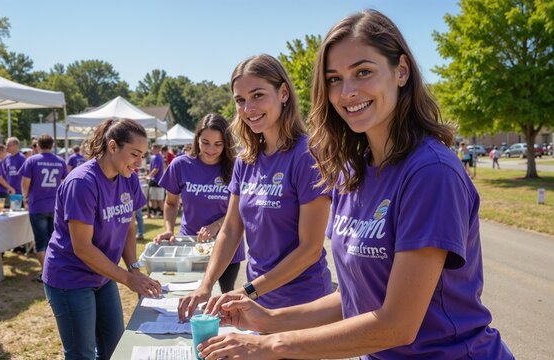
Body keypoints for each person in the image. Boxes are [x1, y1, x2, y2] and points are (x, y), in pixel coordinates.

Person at [198, 10, 513, 360]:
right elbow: (354, 296)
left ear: (401, 72)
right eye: (334, 78)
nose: (347, 91)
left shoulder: (431, 173)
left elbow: (397, 324)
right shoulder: (353, 170)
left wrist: (272, 343)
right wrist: (269, 319)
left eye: (363, 72)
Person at [178, 54, 332, 321]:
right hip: (257, 302)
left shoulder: (307, 155)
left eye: (258, 95)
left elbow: (310, 249)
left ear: (283, 93)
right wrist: (206, 285)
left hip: (300, 304)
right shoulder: (246, 159)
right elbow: (230, 229)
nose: (248, 108)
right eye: (240, 100)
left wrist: (248, 291)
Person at [42, 118, 161, 360]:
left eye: (143, 155)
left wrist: (134, 269)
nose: (140, 163)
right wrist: (127, 279)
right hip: (71, 277)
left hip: (103, 275)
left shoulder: (128, 178)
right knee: (82, 354)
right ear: (113, 146)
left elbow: (128, 226)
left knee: (114, 348)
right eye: (135, 154)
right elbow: (82, 248)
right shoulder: (82, 182)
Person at [155, 113, 246, 293]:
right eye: (205, 142)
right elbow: (171, 203)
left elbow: (242, 209)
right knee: (190, 297)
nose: (211, 149)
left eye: (218, 144)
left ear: (226, 143)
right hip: (192, 247)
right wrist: (168, 229)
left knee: (222, 301)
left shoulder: (237, 166)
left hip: (228, 248)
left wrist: (216, 225)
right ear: (197, 139)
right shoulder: (180, 165)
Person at [19, 134, 67, 282]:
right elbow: (65, 183)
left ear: (38, 145)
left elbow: (25, 182)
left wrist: (24, 198)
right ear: (52, 145)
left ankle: (47, 273)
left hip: (37, 206)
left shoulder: (32, 160)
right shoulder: (60, 161)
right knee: (56, 241)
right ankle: (56, 271)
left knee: (40, 242)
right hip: (56, 206)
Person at [146, 143, 165, 218]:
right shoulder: (156, 157)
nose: (151, 149)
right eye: (151, 148)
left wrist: (149, 176)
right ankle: (155, 212)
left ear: (157, 149)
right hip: (156, 181)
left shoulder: (157, 157)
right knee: (153, 198)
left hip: (157, 181)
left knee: (158, 199)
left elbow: (156, 169)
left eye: (153, 148)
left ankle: (161, 212)